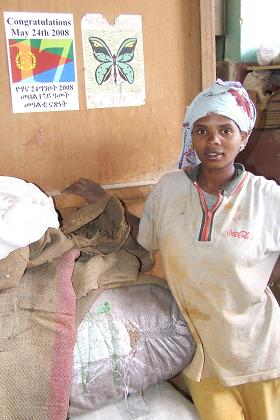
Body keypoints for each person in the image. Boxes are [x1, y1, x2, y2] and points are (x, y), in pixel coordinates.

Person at [65, 80, 280, 420]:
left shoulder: (268, 199)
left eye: (226, 130)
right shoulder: (169, 190)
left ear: (244, 138)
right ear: (191, 136)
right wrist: (108, 205)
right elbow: (147, 237)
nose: (213, 141)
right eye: (202, 130)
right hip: (201, 360)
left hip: (260, 355)